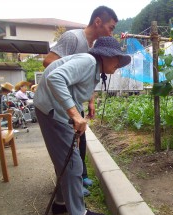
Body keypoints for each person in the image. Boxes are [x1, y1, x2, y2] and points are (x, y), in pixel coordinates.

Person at [34, 36, 131, 215]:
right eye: (117, 58)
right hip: (51, 109)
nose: (119, 63)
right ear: (104, 56)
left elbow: (74, 93)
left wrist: (75, 118)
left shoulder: (94, 68)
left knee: (67, 160)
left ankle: (63, 203)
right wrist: (76, 116)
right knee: (73, 163)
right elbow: (56, 78)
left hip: (53, 109)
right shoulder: (87, 61)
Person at [43, 5, 118, 196]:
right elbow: (48, 63)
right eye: (110, 27)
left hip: (74, 102)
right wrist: (70, 67)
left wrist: (91, 101)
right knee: (66, 147)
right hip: (59, 102)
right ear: (98, 21)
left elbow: (87, 77)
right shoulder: (73, 37)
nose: (111, 33)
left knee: (80, 142)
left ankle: (79, 178)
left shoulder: (92, 48)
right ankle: (68, 189)